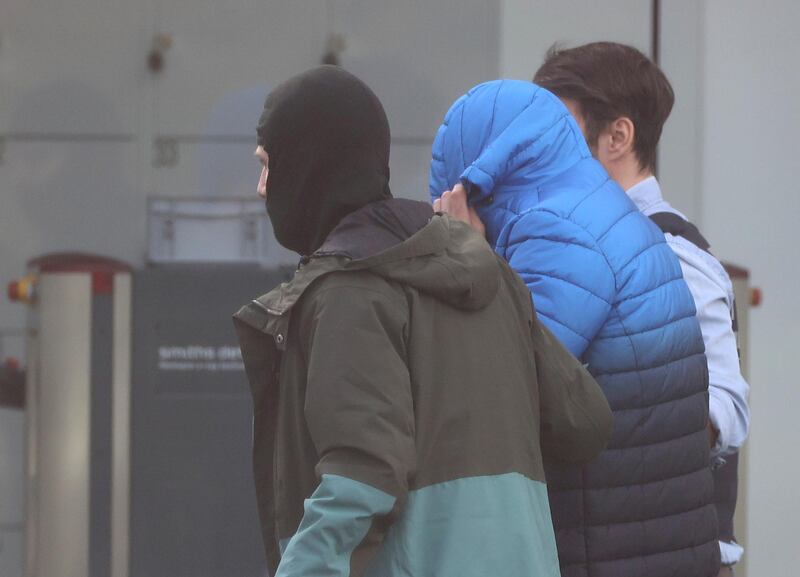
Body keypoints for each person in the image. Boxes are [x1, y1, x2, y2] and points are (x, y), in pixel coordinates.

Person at [233, 65, 613, 577]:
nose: (261, 188)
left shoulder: (349, 289)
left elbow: (362, 478)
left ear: (308, 164)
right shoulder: (488, 271)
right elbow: (585, 421)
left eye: (267, 165)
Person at [430, 79, 720, 577]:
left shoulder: (554, 227)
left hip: (604, 540)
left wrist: (462, 250)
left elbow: (507, 379)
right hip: (656, 529)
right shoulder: (596, 204)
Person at [534, 42, 750, 577]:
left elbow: (723, 410)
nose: (538, 152)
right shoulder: (562, 246)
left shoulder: (675, 252)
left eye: (558, 133)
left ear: (618, 137)